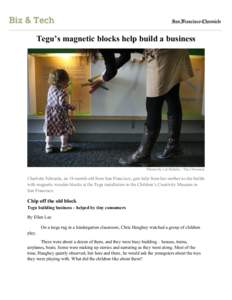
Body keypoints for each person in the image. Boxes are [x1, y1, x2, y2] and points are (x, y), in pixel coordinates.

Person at [118, 49, 194, 165]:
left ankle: (143, 154)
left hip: (162, 52)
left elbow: (123, 56)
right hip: (172, 50)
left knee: (153, 103)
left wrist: (105, 75)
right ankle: (173, 147)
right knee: (172, 95)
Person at [43, 69, 76, 153]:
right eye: (66, 82)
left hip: (50, 113)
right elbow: (62, 103)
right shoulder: (62, 92)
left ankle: (48, 146)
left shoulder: (50, 88)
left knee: (49, 130)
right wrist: (71, 107)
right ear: (61, 82)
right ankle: (64, 146)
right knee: (64, 130)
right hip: (59, 114)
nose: (67, 84)